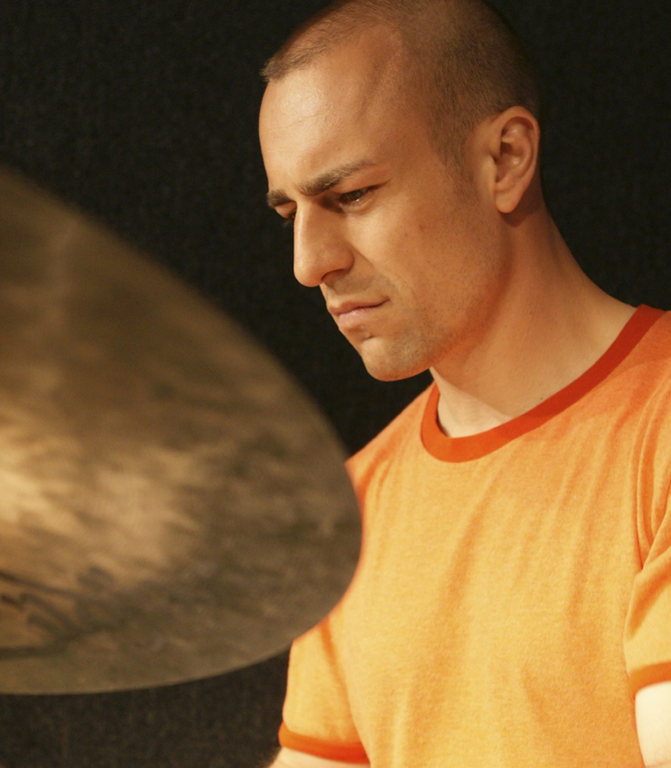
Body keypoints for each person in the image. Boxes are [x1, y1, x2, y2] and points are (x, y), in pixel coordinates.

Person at [257, 0, 671, 766]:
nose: (310, 264)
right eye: (291, 215)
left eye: (351, 197)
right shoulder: (353, 512)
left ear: (506, 159)